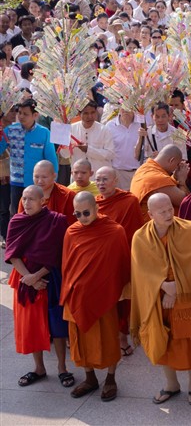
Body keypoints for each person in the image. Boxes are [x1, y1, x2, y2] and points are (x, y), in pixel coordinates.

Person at [129, 193, 191, 406]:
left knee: (190, 340)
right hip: (158, 298)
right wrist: (164, 286)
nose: (168, 214)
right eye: (162, 212)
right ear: (150, 214)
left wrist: (176, 289)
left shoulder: (188, 228)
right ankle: (171, 384)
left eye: (169, 210)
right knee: (163, 340)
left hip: (185, 296)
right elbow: (140, 270)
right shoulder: (140, 237)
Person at [61, 192, 130, 401]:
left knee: (108, 338)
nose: (81, 218)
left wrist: (117, 290)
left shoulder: (114, 231)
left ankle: (111, 378)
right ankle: (89, 377)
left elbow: (121, 264)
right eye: (77, 214)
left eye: (86, 213)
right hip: (77, 296)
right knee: (80, 341)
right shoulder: (72, 231)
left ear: (97, 208)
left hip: (104, 295)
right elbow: (67, 265)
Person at [5, 185, 71, 389]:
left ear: (43, 201)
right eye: (24, 198)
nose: (26, 203)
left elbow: (59, 253)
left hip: (51, 277)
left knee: (57, 325)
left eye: (31, 199)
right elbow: (12, 253)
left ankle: (62, 367)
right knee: (32, 325)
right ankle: (39, 368)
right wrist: (30, 278)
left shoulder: (56, 221)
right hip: (25, 278)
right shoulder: (17, 221)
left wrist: (38, 275)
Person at [94, 166, 144, 355]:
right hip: (100, 261)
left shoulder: (129, 201)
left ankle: (123, 337)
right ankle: (107, 336)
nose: (101, 183)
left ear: (115, 181)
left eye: (105, 179)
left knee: (123, 301)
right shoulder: (94, 204)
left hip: (123, 258)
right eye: (98, 179)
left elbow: (136, 232)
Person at [0, 99, 58, 221]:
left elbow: (51, 159)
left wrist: (53, 180)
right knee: (17, 215)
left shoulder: (44, 133)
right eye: (19, 113)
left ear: (35, 115)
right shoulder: (10, 130)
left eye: (25, 114)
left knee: (38, 214)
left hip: (37, 183)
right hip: (17, 182)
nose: (21, 116)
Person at [130, 145, 190, 222]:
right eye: (177, 164)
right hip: (156, 226)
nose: (176, 168)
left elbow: (166, 185)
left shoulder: (144, 167)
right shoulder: (156, 177)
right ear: (171, 160)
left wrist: (175, 177)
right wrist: (182, 181)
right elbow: (185, 202)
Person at [69, 100, 114, 176]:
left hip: (98, 177)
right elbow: (65, 155)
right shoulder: (71, 129)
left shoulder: (104, 130)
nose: (90, 116)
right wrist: (64, 143)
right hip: (78, 177)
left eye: (93, 112)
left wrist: (88, 150)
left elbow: (110, 154)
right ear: (79, 114)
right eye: (86, 113)